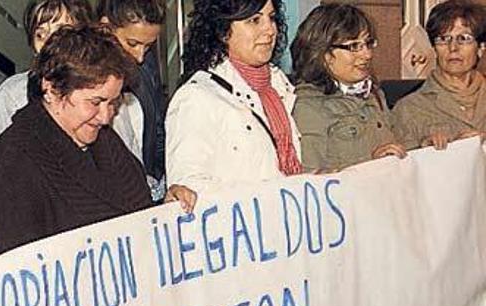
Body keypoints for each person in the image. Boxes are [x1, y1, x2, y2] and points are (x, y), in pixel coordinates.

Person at [0, 26, 194, 255]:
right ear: (51, 90)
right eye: (94, 102)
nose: (105, 117)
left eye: (113, 103)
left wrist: (164, 212)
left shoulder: (106, 143)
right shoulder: (9, 167)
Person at [166, 0, 302, 193]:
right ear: (223, 32)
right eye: (254, 20)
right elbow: (189, 186)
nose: (270, 30)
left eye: (271, 18)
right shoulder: (197, 97)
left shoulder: (279, 88)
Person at [0, 0, 94, 160]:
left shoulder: (107, 94)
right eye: (41, 35)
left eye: (61, 33)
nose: (49, 45)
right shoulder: (12, 97)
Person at [290, 4, 405, 172]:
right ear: (323, 53)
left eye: (368, 43)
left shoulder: (375, 95)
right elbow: (310, 180)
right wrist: (371, 166)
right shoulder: (308, 107)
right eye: (354, 46)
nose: (367, 54)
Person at [392, 0, 486, 151]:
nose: (453, 48)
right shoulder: (409, 108)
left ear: (480, 48)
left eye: (464, 39)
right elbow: (401, 168)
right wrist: (425, 150)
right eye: (443, 39)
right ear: (434, 48)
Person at [98, 0, 168, 201]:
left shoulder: (145, 70)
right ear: (105, 28)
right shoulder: (78, 81)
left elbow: (157, 132)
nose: (139, 56)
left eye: (148, 47)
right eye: (132, 44)